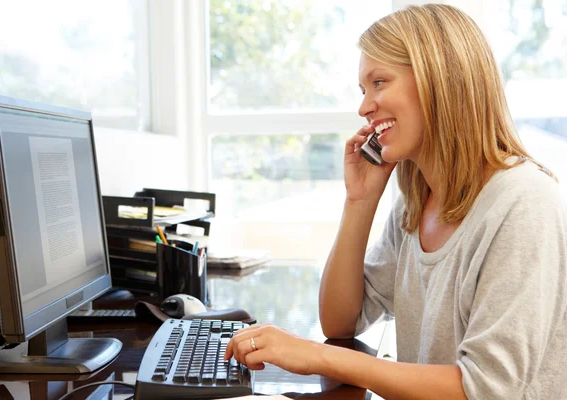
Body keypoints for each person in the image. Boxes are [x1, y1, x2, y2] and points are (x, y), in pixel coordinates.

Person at [224, 3, 567, 399]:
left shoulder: (524, 203)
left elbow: (483, 389)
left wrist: (316, 356)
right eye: (363, 89)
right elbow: (341, 321)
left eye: (380, 82)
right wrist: (360, 202)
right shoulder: (416, 203)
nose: (364, 106)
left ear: (441, 81)